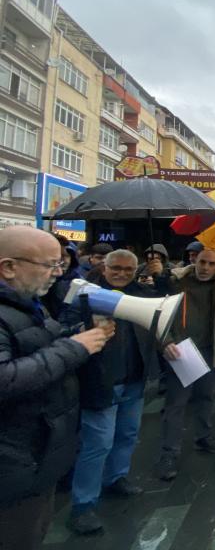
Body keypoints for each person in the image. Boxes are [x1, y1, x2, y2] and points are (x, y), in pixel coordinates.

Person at [0, 226, 113, 550]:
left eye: (59, 264)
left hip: (34, 459)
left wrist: (79, 335)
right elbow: (6, 379)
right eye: (49, 265)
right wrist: (74, 348)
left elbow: (38, 348)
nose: (58, 273)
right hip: (14, 465)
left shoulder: (28, 305)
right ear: (9, 267)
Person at [60, 250, 162, 535]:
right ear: (104, 268)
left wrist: (160, 272)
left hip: (133, 376)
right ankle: (83, 505)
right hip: (101, 380)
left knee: (128, 432)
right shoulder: (84, 294)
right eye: (116, 268)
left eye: (128, 270)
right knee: (98, 443)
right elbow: (61, 328)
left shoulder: (141, 292)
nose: (122, 274)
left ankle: (116, 477)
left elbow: (169, 297)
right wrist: (85, 327)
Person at [155, 248, 215, 481]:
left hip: (211, 349)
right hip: (181, 351)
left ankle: (204, 436)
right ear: (194, 261)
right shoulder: (177, 282)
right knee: (176, 404)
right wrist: (166, 341)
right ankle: (169, 454)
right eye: (202, 262)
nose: (206, 267)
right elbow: (157, 313)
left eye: (212, 263)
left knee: (205, 396)